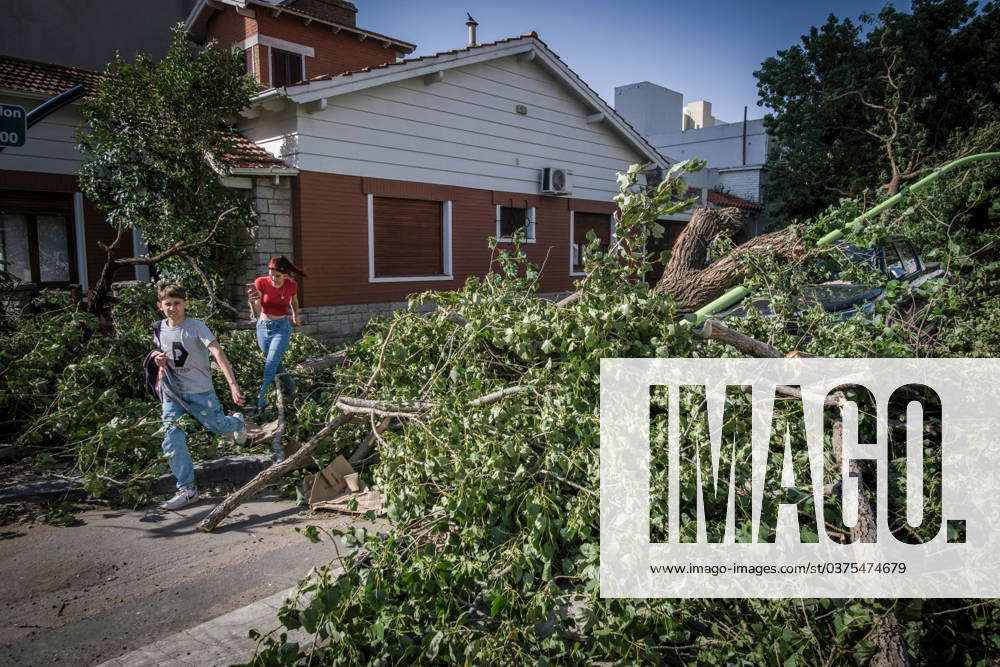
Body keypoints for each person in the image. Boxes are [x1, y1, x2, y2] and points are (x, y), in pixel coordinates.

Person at [153, 283, 247, 510]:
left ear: (186, 304)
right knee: (171, 436)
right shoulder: (158, 328)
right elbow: (158, 351)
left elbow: (217, 351)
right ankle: (187, 489)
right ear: (160, 306)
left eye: (177, 303)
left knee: (219, 427)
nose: (172, 308)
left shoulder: (196, 327)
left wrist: (232, 384)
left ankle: (237, 421)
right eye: (168, 304)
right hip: (172, 393)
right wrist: (158, 358)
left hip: (199, 390)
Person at [247, 256, 305, 415]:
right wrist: (252, 302)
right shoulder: (261, 282)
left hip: (281, 328)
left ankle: (260, 400)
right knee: (275, 363)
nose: (274, 278)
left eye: (278, 276)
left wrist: (295, 315)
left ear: (285, 275)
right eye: (271, 274)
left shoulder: (291, 284)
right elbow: (257, 310)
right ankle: (294, 389)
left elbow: (294, 301)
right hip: (263, 328)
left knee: (270, 364)